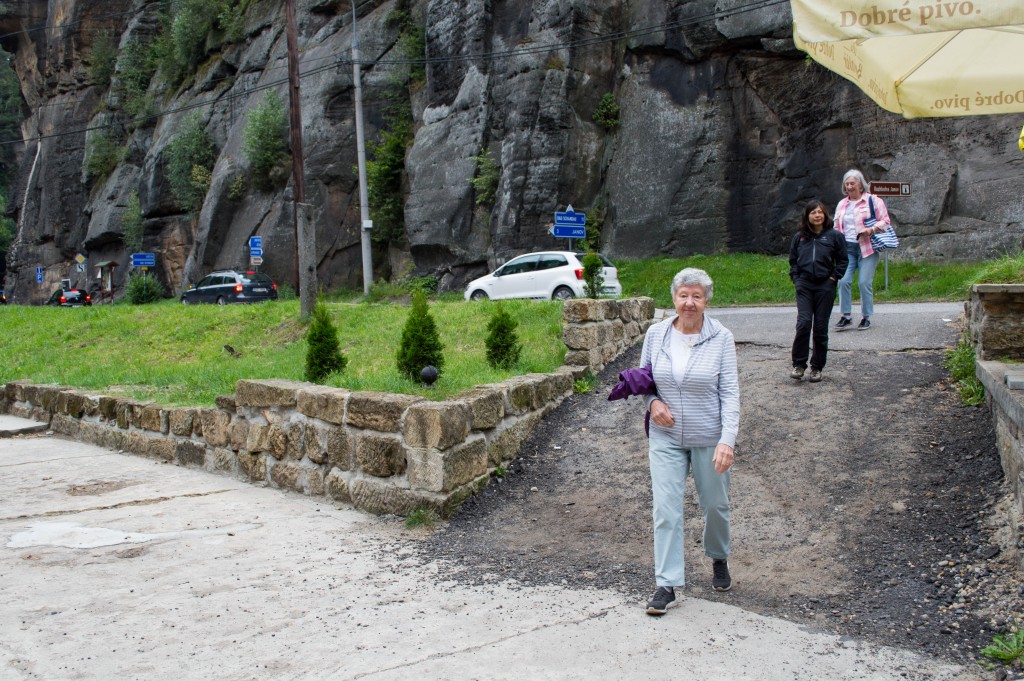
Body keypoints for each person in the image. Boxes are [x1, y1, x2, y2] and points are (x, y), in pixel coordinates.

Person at [639, 268, 740, 615]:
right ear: (674, 298)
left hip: (709, 436)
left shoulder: (722, 338)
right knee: (665, 508)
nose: (689, 303)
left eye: (696, 296)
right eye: (684, 295)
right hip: (666, 437)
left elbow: (730, 393)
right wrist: (653, 403)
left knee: (715, 505)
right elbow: (643, 382)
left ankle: (718, 555)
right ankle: (666, 584)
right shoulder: (656, 335)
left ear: (707, 300)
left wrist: (727, 440)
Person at [789, 200, 848, 382]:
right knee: (804, 323)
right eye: (813, 212)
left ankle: (817, 367)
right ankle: (799, 365)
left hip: (825, 286)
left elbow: (843, 260)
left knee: (821, 328)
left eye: (820, 212)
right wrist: (797, 279)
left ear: (825, 215)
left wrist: (833, 278)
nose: (817, 215)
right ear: (807, 216)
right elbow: (793, 261)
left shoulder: (834, 236)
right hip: (805, 285)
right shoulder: (800, 237)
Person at [833, 169, 891, 331]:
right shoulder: (842, 204)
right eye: (847, 183)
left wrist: (870, 230)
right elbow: (836, 226)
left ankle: (866, 317)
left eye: (853, 183)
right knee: (843, 281)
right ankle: (846, 316)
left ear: (860, 184)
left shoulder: (873, 200)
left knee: (864, 282)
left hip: (867, 247)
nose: (850, 186)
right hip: (847, 248)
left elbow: (885, 221)